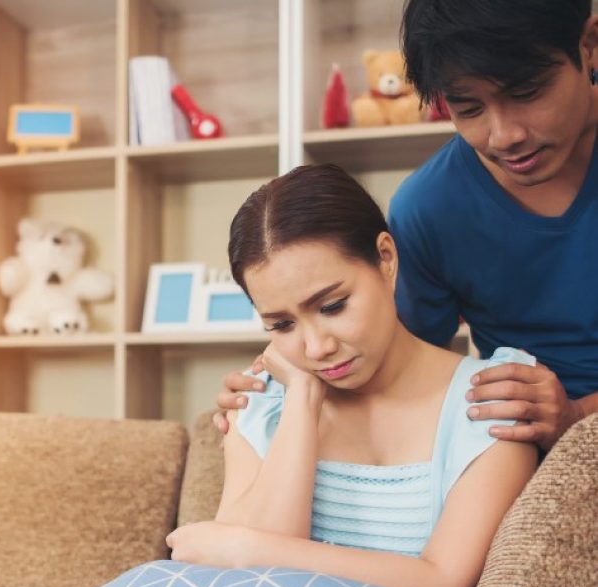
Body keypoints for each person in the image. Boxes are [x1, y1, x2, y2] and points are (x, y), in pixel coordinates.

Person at [82, 164, 537, 587]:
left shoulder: (488, 400)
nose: (317, 345)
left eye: (332, 304)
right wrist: (301, 400)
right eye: (282, 323)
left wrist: (244, 547)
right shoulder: (264, 403)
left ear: (385, 260)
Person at [215, 0, 598, 452]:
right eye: (469, 108)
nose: (504, 135)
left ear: (589, 45)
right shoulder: (429, 208)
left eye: (527, 92)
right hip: (526, 446)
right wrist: (268, 397)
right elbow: (396, 372)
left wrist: (577, 416)